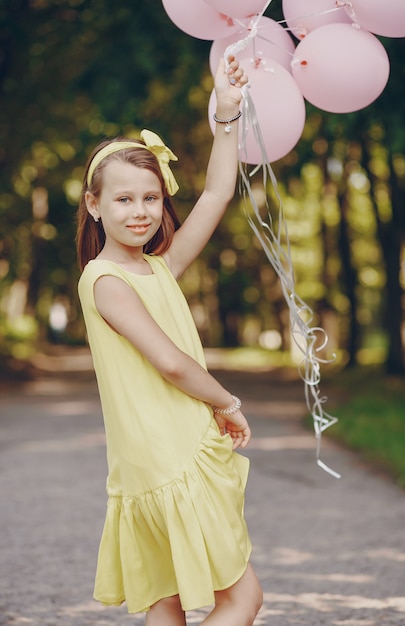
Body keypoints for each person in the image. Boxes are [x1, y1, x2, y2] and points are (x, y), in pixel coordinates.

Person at [76, 55, 263, 626]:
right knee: (242, 599)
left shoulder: (158, 268)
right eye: (123, 199)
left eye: (151, 199)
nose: (140, 212)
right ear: (94, 205)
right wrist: (226, 403)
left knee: (169, 602)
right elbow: (171, 363)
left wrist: (226, 116)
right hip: (169, 458)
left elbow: (215, 196)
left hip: (157, 461)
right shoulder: (104, 281)